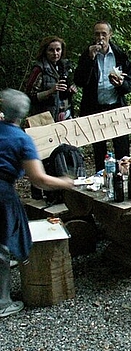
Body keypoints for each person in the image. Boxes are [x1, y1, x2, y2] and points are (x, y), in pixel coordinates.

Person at [0, 89, 74, 318]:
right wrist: (66, 182)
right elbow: (39, 179)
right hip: (1, 192)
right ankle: (2, 302)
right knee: (1, 245)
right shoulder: (21, 139)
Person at [74, 21, 131, 171]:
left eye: (103, 34)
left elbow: (130, 85)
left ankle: (124, 178)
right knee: (99, 150)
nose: (100, 38)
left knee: (122, 147)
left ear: (110, 35)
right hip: (95, 107)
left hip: (116, 106)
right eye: (97, 34)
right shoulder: (87, 54)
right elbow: (79, 81)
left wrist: (120, 85)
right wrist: (90, 59)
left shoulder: (120, 55)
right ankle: (102, 180)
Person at [25, 36, 78, 122]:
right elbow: (29, 96)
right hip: (44, 117)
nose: (55, 53)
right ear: (45, 51)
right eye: (51, 50)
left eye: (58, 50)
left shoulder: (65, 67)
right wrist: (51, 91)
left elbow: (65, 92)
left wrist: (71, 90)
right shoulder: (39, 69)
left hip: (64, 115)